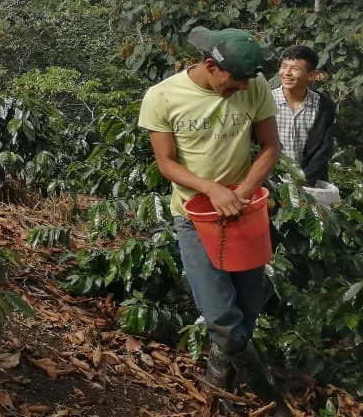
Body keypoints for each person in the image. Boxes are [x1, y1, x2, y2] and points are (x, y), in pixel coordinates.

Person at [139, 27, 288, 414]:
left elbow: (270, 147)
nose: (241, 89)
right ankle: (272, 399)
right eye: (233, 83)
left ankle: (219, 391)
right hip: (195, 217)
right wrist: (212, 189)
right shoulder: (163, 96)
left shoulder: (252, 88)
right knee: (222, 316)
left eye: (246, 83)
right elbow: (166, 163)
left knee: (247, 311)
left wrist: (240, 192)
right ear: (209, 66)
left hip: (245, 212)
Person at [271, 45, 337, 186]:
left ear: (311, 75)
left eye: (294, 69)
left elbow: (323, 150)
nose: (287, 73)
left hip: (309, 184)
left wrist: (304, 183)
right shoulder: (267, 101)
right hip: (270, 182)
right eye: (284, 67)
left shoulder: (324, 106)